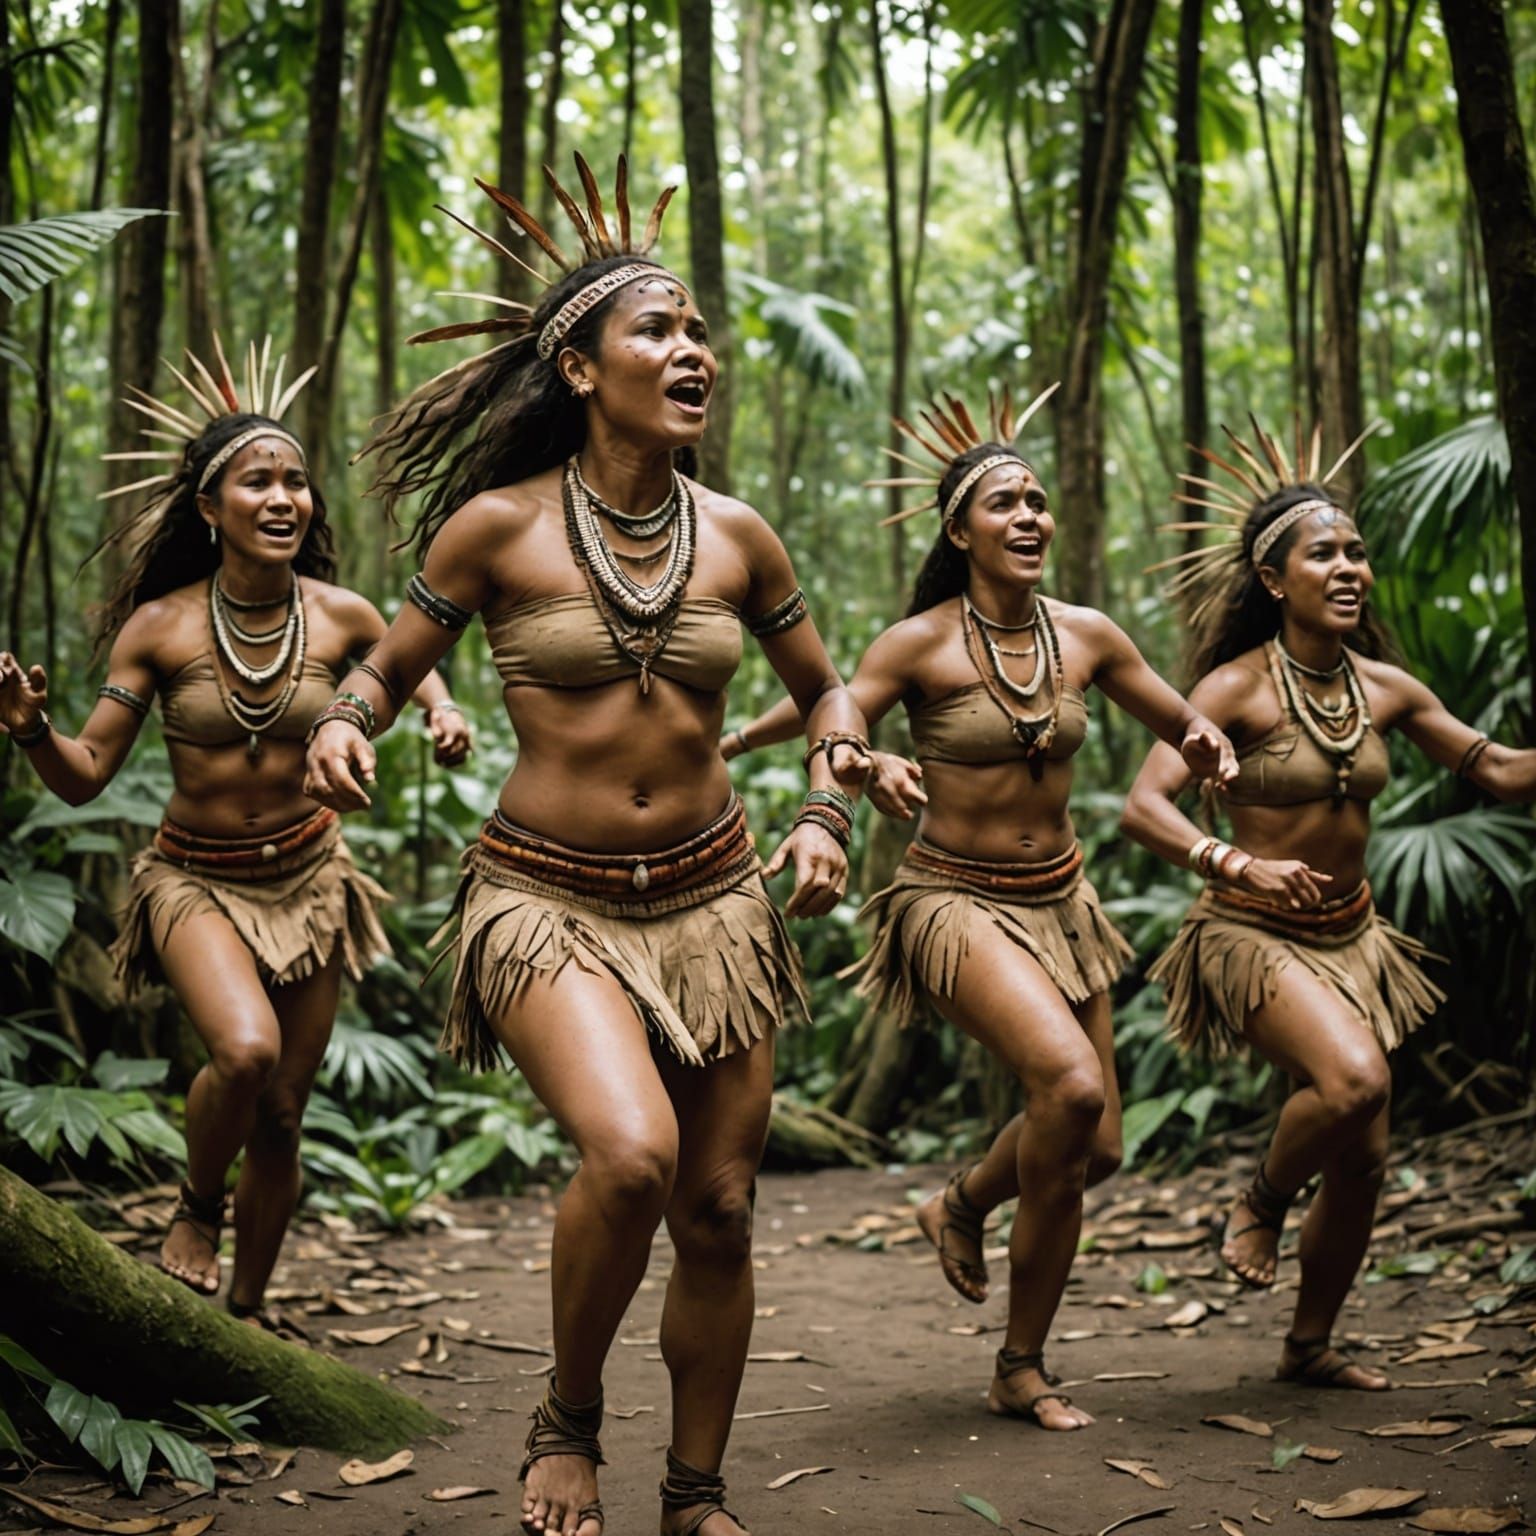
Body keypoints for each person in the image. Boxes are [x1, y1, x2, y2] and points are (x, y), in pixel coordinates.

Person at [302, 155, 870, 1536]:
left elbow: (828, 694)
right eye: (658, 331)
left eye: (695, 330)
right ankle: (567, 1413)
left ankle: (696, 1491)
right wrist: (343, 720)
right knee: (632, 1157)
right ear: (577, 366)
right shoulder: (496, 527)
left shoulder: (738, 535)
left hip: (717, 900)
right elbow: (384, 666)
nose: (695, 351)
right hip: (545, 901)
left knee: (722, 1203)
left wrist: (828, 800)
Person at [728, 387, 1236, 1430]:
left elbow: (1177, 714)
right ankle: (1022, 1366)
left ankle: (966, 1218)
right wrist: (852, 775)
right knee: (1067, 1084)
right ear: (960, 530)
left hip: (1064, 900)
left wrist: (1205, 739)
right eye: (1004, 503)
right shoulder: (916, 642)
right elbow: (835, 712)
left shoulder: (1086, 635)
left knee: (1092, 1145)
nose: (1030, 518)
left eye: (1038, 501)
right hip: (950, 899)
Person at [0, 338, 470, 1321]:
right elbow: (85, 779)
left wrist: (442, 710)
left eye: (296, 481)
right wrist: (33, 729)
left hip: (310, 883)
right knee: (246, 1055)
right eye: (258, 481)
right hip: (194, 881)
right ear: (210, 511)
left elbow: (408, 660)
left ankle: (248, 1314)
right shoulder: (161, 627)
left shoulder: (341, 613)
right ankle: (196, 1209)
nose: (284, 497)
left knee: (286, 1118)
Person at [1120, 418, 1536, 1389]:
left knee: (1362, 1158)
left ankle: (1308, 1344)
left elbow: (1507, 774)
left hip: (1356, 942)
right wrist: (1233, 862)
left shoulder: (1387, 689)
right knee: (1353, 1087)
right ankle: (1259, 1200)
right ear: (1276, 580)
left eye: (1356, 552)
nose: (1349, 567)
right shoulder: (1233, 689)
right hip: (1249, 933)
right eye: (1324, 554)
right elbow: (1144, 807)